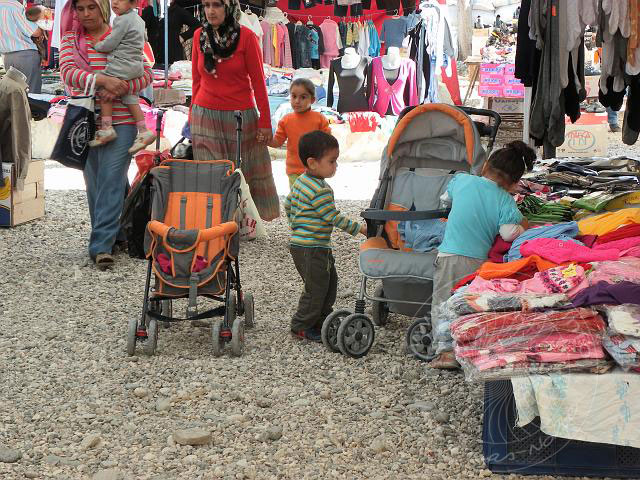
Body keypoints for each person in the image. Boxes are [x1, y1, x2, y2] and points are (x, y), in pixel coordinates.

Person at [59, 0, 152, 269]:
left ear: (102, 7)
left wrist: (121, 88)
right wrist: (103, 81)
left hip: (121, 122)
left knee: (110, 178)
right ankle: (120, 232)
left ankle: (100, 246)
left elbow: (145, 71)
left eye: (91, 7)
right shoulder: (71, 41)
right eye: (80, 9)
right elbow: (68, 73)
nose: (86, 14)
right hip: (86, 122)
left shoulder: (121, 31)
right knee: (97, 183)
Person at [429, 141, 535, 369]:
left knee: (442, 300)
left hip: (449, 256)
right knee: (469, 304)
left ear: (486, 164)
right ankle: (469, 348)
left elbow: (445, 199)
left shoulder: (462, 180)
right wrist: (524, 225)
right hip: (478, 263)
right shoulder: (506, 200)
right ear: (514, 183)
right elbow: (508, 234)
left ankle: (444, 350)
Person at [190, 0, 279, 221]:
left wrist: (265, 122)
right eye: (207, 5)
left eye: (217, 5)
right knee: (210, 171)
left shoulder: (247, 38)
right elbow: (196, 80)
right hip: (205, 116)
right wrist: (192, 115)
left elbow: (259, 82)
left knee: (244, 170)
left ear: (229, 7)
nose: (211, 10)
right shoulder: (199, 36)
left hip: (240, 118)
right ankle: (216, 221)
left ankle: (243, 220)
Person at [285, 131, 367, 342]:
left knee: (328, 282)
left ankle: (321, 318)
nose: (336, 166)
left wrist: (295, 224)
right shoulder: (320, 189)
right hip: (312, 247)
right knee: (316, 287)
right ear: (313, 163)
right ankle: (301, 325)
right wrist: (360, 229)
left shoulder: (301, 182)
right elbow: (333, 216)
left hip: (306, 245)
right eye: (332, 161)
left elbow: (288, 204)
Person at [90, 0, 156, 152]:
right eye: (114, 0)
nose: (115, 3)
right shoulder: (139, 19)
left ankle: (107, 128)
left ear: (133, 3)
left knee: (104, 87)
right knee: (130, 98)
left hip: (122, 64)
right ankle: (144, 131)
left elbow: (112, 41)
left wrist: (98, 45)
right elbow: (144, 38)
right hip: (136, 65)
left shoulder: (121, 20)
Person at [267, 78, 331, 190]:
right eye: (294, 96)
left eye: (303, 97)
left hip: (315, 171)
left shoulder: (319, 119)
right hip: (294, 171)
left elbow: (328, 142)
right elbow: (278, 141)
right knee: (297, 200)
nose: (297, 101)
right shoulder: (286, 120)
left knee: (314, 199)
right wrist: (266, 140)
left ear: (312, 100)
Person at [0, 0, 44, 94]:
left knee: (15, 97)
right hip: (25, 55)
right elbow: (35, 32)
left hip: (7, 57)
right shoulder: (14, 6)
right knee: (31, 97)